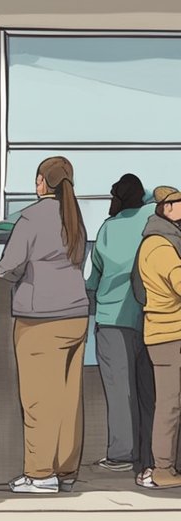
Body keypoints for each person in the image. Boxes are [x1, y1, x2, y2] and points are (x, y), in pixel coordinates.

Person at [0, 156, 90, 495]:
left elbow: (10, 264)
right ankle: (65, 470)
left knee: (38, 398)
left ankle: (39, 474)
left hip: (40, 318)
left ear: (40, 182)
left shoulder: (32, 216)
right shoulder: (75, 217)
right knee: (68, 399)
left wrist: (7, 273)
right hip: (77, 314)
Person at [86, 174, 154, 482]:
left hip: (112, 318)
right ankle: (150, 452)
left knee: (119, 389)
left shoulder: (107, 229)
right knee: (150, 389)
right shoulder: (151, 217)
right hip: (148, 315)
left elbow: (93, 278)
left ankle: (122, 454)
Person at [133, 186, 181, 489]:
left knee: (169, 403)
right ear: (164, 207)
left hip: (165, 332)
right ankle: (162, 470)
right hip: (168, 334)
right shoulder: (160, 246)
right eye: (177, 203)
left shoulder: (164, 241)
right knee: (169, 404)